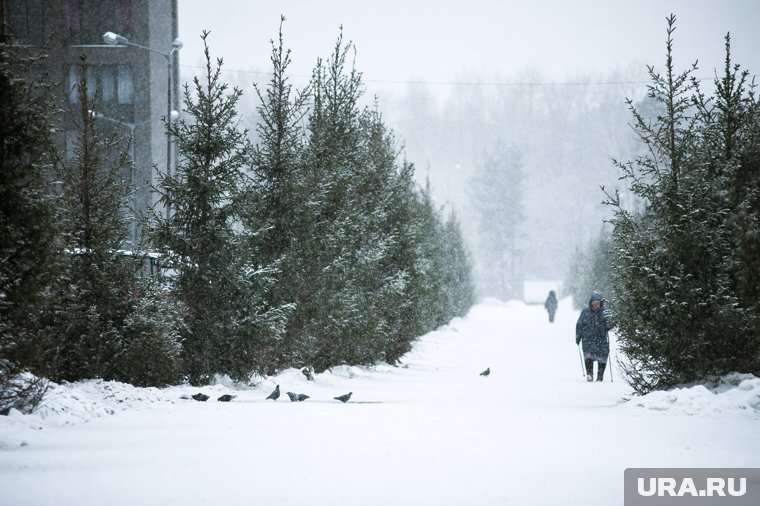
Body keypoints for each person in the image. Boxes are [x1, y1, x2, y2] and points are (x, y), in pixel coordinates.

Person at [575, 292, 610, 382]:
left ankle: (600, 375)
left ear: (601, 304)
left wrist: (607, 326)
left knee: (602, 357)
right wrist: (578, 336)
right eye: (594, 303)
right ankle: (589, 374)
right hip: (588, 339)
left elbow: (611, 324)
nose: (596, 305)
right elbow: (579, 325)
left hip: (601, 340)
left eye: (598, 303)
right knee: (588, 357)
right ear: (591, 303)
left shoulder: (605, 312)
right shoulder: (585, 312)